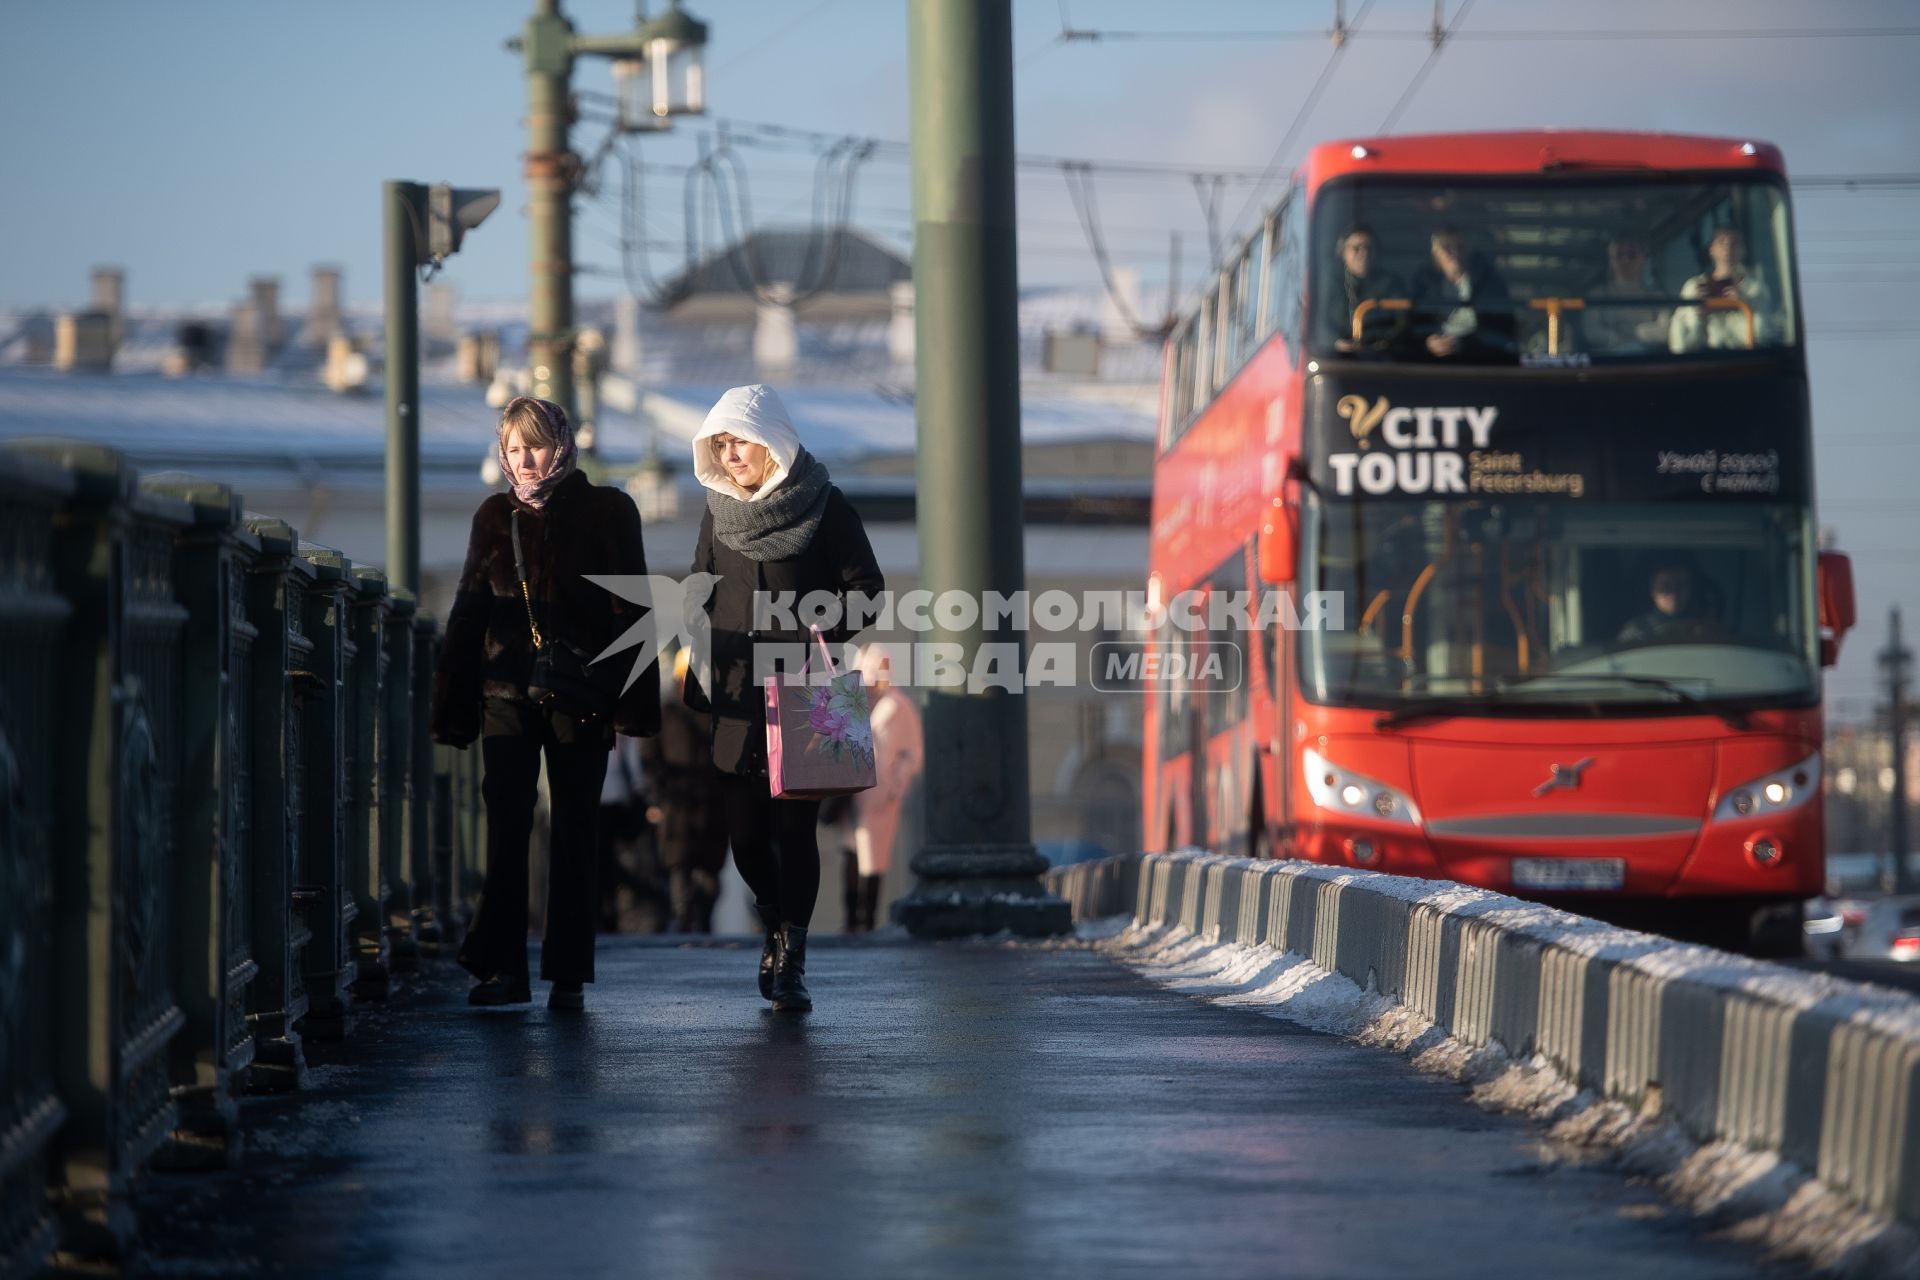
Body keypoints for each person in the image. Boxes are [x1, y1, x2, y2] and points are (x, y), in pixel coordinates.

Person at [431, 395, 659, 1011]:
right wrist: (451, 700)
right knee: (507, 826)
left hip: (579, 692)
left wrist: (634, 704)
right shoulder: (492, 515)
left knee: (575, 830)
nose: (525, 459)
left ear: (560, 444)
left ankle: (567, 973)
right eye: (512, 448)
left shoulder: (609, 510)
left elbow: (634, 611)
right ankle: (502, 968)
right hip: (505, 690)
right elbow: (469, 607)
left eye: (534, 444)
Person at [689, 384, 884, 1012]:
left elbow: (868, 589)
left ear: (771, 440)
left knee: (795, 834)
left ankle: (793, 958)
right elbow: (700, 593)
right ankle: (773, 923)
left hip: (803, 692)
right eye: (720, 443)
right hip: (736, 698)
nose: (730, 453)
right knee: (745, 840)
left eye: (739, 440)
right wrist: (696, 664)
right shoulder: (716, 513)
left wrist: (817, 626)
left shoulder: (825, 507)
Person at [641, 649, 729, 933]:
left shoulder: (717, 713)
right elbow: (650, 758)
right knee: (680, 865)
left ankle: (700, 921)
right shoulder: (666, 712)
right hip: (677, 803)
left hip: (710, 801)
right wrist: (659, 794)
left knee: (709, 870)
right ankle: (684, 920)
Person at [845, 645, 923, 932]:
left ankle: (866, 920)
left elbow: (912, 752)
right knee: (851, 854)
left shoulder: (899, 706)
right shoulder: (856, 703)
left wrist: (895, 785)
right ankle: (851, 919)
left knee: (872, 860)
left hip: (879, 797)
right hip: (851, 793)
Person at [1411, 227, 1514, 360]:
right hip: (1431, 362)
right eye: (1446, 248)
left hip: (1477, 361)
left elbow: (1499, 329)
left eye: (1459, 247)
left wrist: (1464, 344)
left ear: (1468, 251)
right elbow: (1413, 326)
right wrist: (1427, 343)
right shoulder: (1424, 284)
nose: (1454, 253)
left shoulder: (1489, 283)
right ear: (1435, 254)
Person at [1669, 226, 1774, 353]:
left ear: (1742, 251)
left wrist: (1743, 305)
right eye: (1721, 243)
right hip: (1703, 361)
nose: (1727, 249)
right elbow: (1681, 345)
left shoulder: (1755, 289)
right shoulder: (1693, 286)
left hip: (1743, 361)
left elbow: (1762, 337)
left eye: (1734, 244)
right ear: (1711, 249)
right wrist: (1696, 312)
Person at [1317, 225, 1406, 354]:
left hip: (1382, 357)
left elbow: (1402, 322)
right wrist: (1336, 342)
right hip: (1337, 358)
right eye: (1357, 248)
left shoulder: (1391, 283)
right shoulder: (1329, 284)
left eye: (1369, 248)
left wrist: (1386, 342)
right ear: (1343, 253)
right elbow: (1318, 322)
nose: (1364, 253)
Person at [1581, 235, 1670, 354]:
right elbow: (1592, 331)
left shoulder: (1657, 296)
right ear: (1611, 260)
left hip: (1650, 363)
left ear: (1644, 258)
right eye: (1619, 255)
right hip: (1608, 363)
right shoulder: (1597, 295)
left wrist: (1634, 333)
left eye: (1632, 255)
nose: (1625, 260)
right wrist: (1618, 340)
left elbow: (1665, 332)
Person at [1616, 560, 1726, 646]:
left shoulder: (1705, 630)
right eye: (1665, 585)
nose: (1674, 592)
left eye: (1681, 585)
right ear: (1652, 589)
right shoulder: (1635, 631)